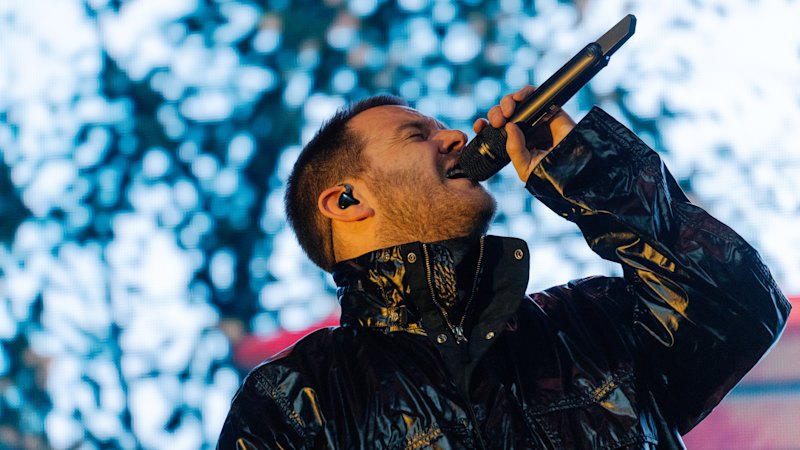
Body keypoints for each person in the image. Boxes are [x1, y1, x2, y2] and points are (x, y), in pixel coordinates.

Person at [217, 86, 791, 449]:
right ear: (346, 201)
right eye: (417, 134)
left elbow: (739, 306)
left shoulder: (585, 325)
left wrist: (590, 173)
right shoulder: (295, 400)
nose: (456, 138)